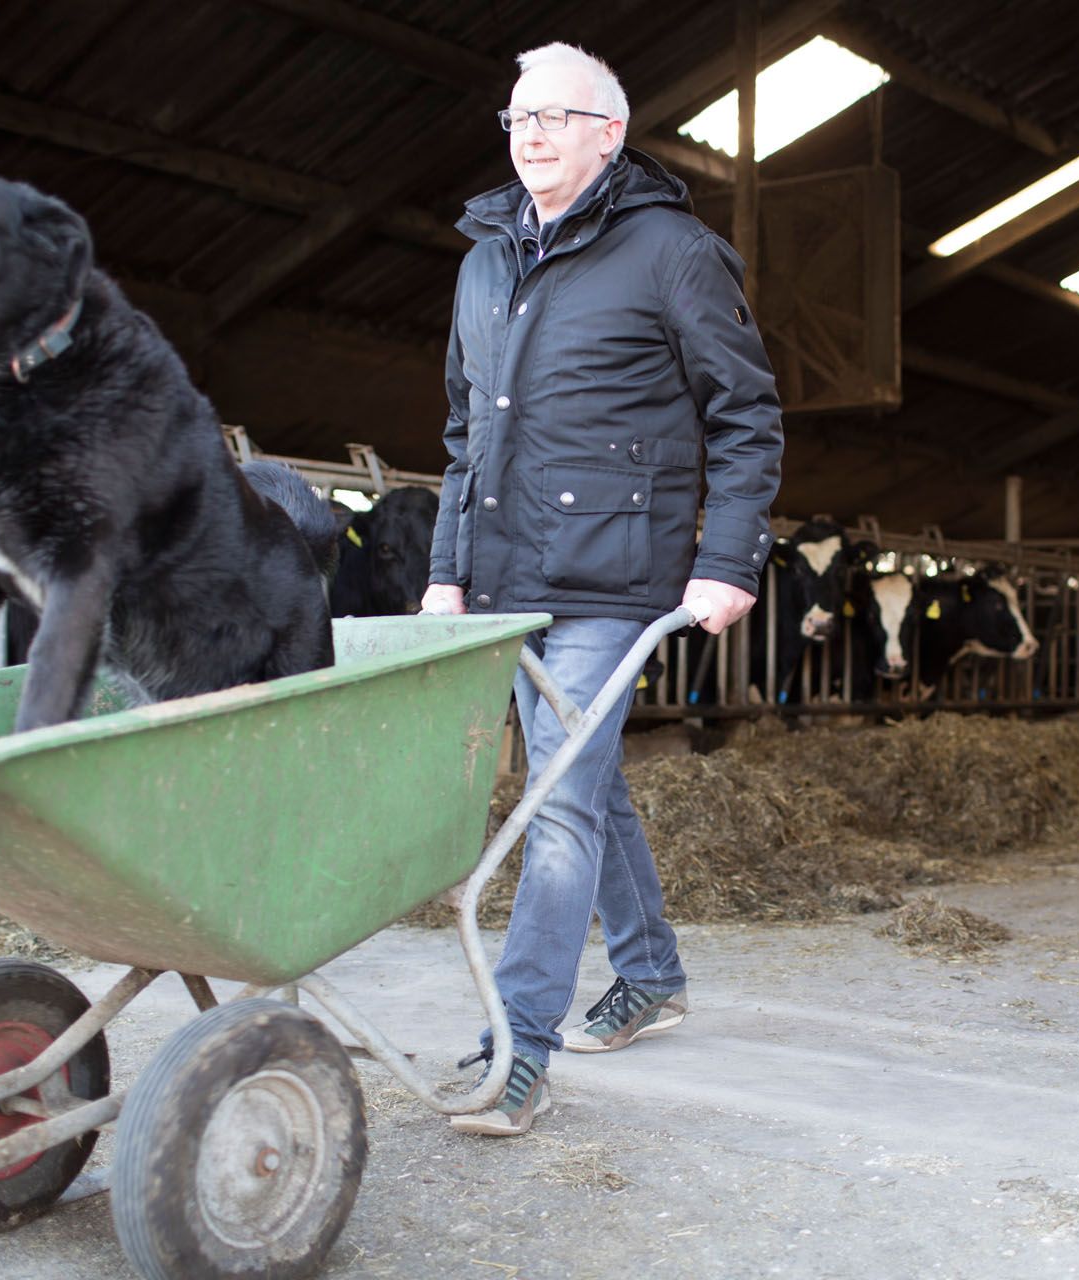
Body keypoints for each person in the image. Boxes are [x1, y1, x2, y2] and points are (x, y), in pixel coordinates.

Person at [421, 41, 783, 1136]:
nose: (531, 134)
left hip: (613, 575)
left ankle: (516, 1045)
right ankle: (653, 973)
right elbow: (463, 430)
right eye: (518, 117)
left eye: (556, 117)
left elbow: (745, 411)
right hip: (504, 575)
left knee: (561, 801)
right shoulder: (482, 261)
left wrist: (728, 558)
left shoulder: (673, 251)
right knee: (584, 781)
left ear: (610, 133)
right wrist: (445, 568)